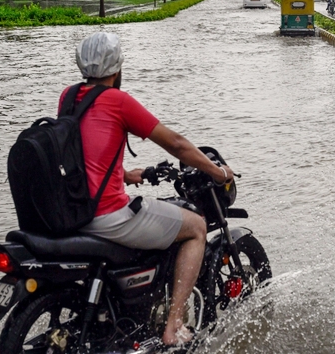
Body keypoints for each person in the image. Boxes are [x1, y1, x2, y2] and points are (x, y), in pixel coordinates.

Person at [59, 32, 234, 348]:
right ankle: (175, 324)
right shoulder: (118, 100)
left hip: (75, 211)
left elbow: (81, 151)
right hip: (108, 214)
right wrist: (218, 172)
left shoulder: (68, 97)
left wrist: (125, 174)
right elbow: (176, 143)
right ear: (117, 68)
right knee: (195, 227)